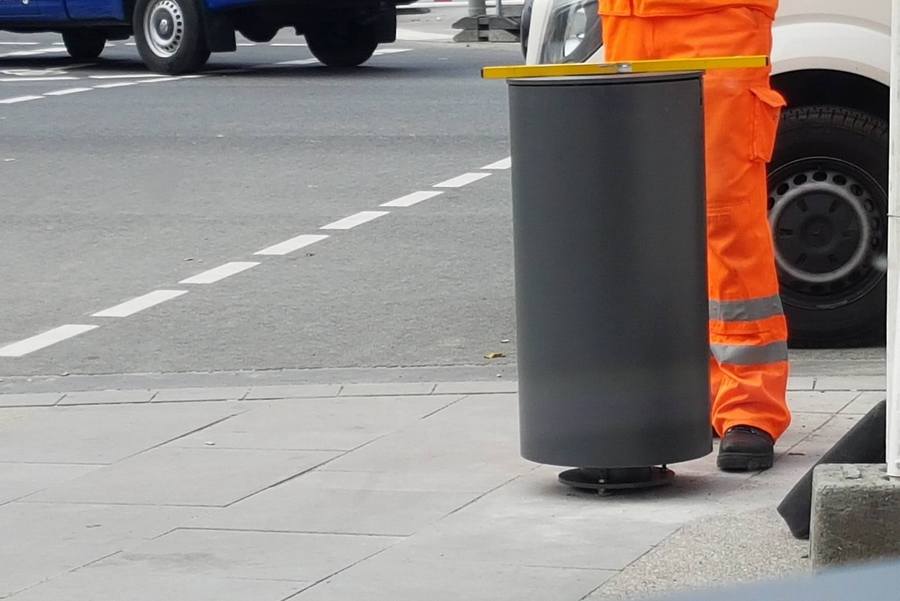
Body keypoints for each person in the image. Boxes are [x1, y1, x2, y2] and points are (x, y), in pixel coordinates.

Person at [598, 0, 792, 471]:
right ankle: (679, 394)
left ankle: (748, 406)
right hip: (627, 21)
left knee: (725, 216)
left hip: (717, 18)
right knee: (643, 221)